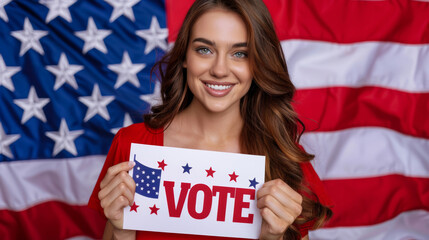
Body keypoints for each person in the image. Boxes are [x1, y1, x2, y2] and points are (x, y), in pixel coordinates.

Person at [88, 0, 333, 239]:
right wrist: (121, 231)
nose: (219, 69)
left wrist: (272, 238)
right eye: (204, 49)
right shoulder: (133, 145)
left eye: (240, 53)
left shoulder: (283, 155)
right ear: (185, 56)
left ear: (258, 64)